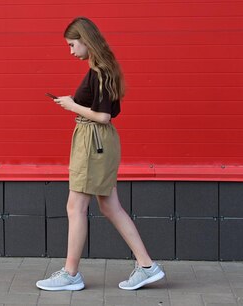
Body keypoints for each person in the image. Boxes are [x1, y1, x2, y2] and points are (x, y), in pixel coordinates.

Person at [36, 17, 165, 291]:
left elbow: (104, 116)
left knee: (76, 206)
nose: (71, 51)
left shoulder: (99, 71)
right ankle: (147, 266)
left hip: (93, 141)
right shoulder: (102, 69)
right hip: (97, 142)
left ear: (85, 40)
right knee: (109, 206)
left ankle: (71, 275)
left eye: (72, 45)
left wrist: (71, 105)